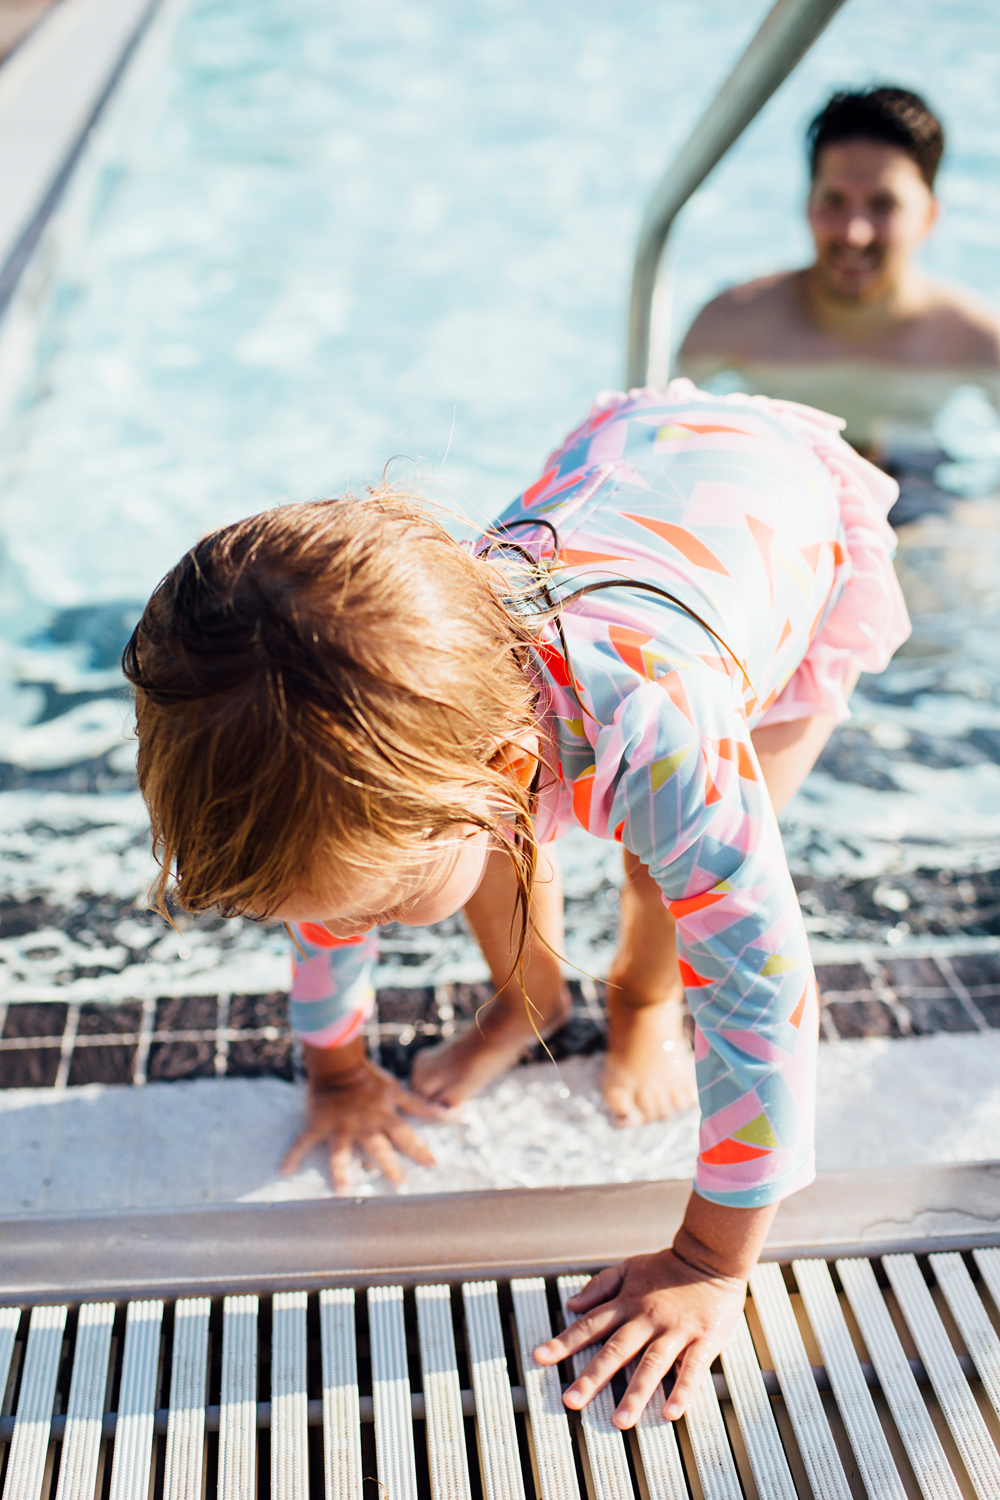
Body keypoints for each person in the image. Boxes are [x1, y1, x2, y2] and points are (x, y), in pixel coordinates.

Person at [123, 380, 909, 1424]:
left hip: (780, 542)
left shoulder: (666, 733)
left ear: (502, 765)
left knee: (667, 876)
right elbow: (329, 892)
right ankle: (528, 1001)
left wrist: (709, 1261)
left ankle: (637, 1005)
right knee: (457, 837)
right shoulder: (407, 731)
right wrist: (339, 1071)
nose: (340, 931)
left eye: (378, 905)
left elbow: (762, 985)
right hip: (640, 472)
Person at [678, 88, 1000, 464]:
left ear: (928, 217)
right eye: (834, 201)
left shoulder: (975, 343)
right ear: (808, 204)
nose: (853, 233)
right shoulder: (730, 325)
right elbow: (648, 444)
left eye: (883, 205)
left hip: (921, 495)